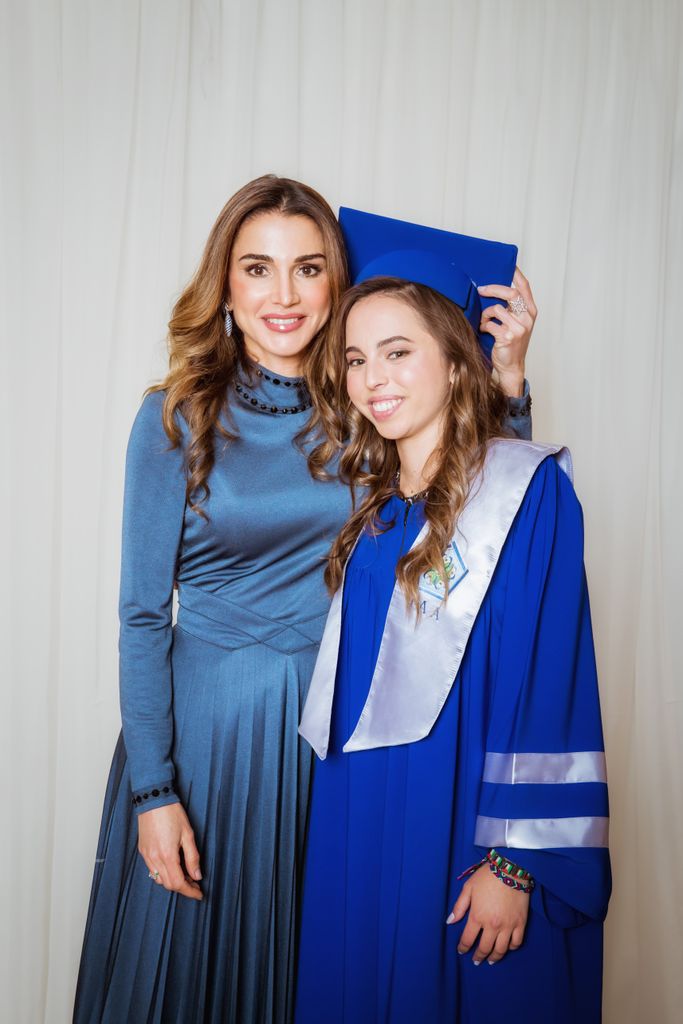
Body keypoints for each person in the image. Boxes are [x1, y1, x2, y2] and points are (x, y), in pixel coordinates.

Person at [73, 176, 536, 1024]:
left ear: (337, 285)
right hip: (204, 746)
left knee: (309, 981)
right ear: (227, 284)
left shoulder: (365, 412)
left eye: (308, 269)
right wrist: (153, 792)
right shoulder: (176, 418)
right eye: (257, 269)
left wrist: (505, 384)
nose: (283, 296)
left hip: (329, 745)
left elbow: (470, 522)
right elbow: (141, 617)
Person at [296, 252, 610, 1023]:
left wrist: (515, 861)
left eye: (398, 353)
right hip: (364, 817)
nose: (375, 380)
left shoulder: (529, 494)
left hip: (464, 820)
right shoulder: (376, 515)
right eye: (356, 359)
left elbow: (549, 674)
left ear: (453, 357)